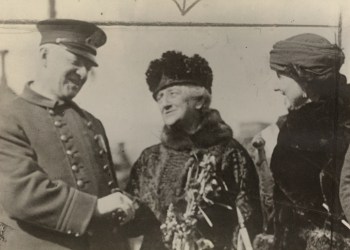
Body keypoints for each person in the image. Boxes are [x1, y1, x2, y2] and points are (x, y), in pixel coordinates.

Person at [0, 19, 135, 250]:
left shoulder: (92, 122)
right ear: (44, 55)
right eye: (75, 61)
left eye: (88, 66)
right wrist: (94, 207)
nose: (82, 73)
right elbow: (21, 194)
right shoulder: (9, 117)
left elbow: (108, 193)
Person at [124, 51, 262, 250]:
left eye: (173, 94)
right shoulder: (149, 158)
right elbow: (133, 226)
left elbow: (249, 223)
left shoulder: (230, 153)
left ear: (199, 101)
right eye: (159, 97)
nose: (165, 103)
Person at [268, 33, 350, 250]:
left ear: (302, 75)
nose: (276, 87)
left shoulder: (308, 133)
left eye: (280, 76)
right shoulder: (299, 127)